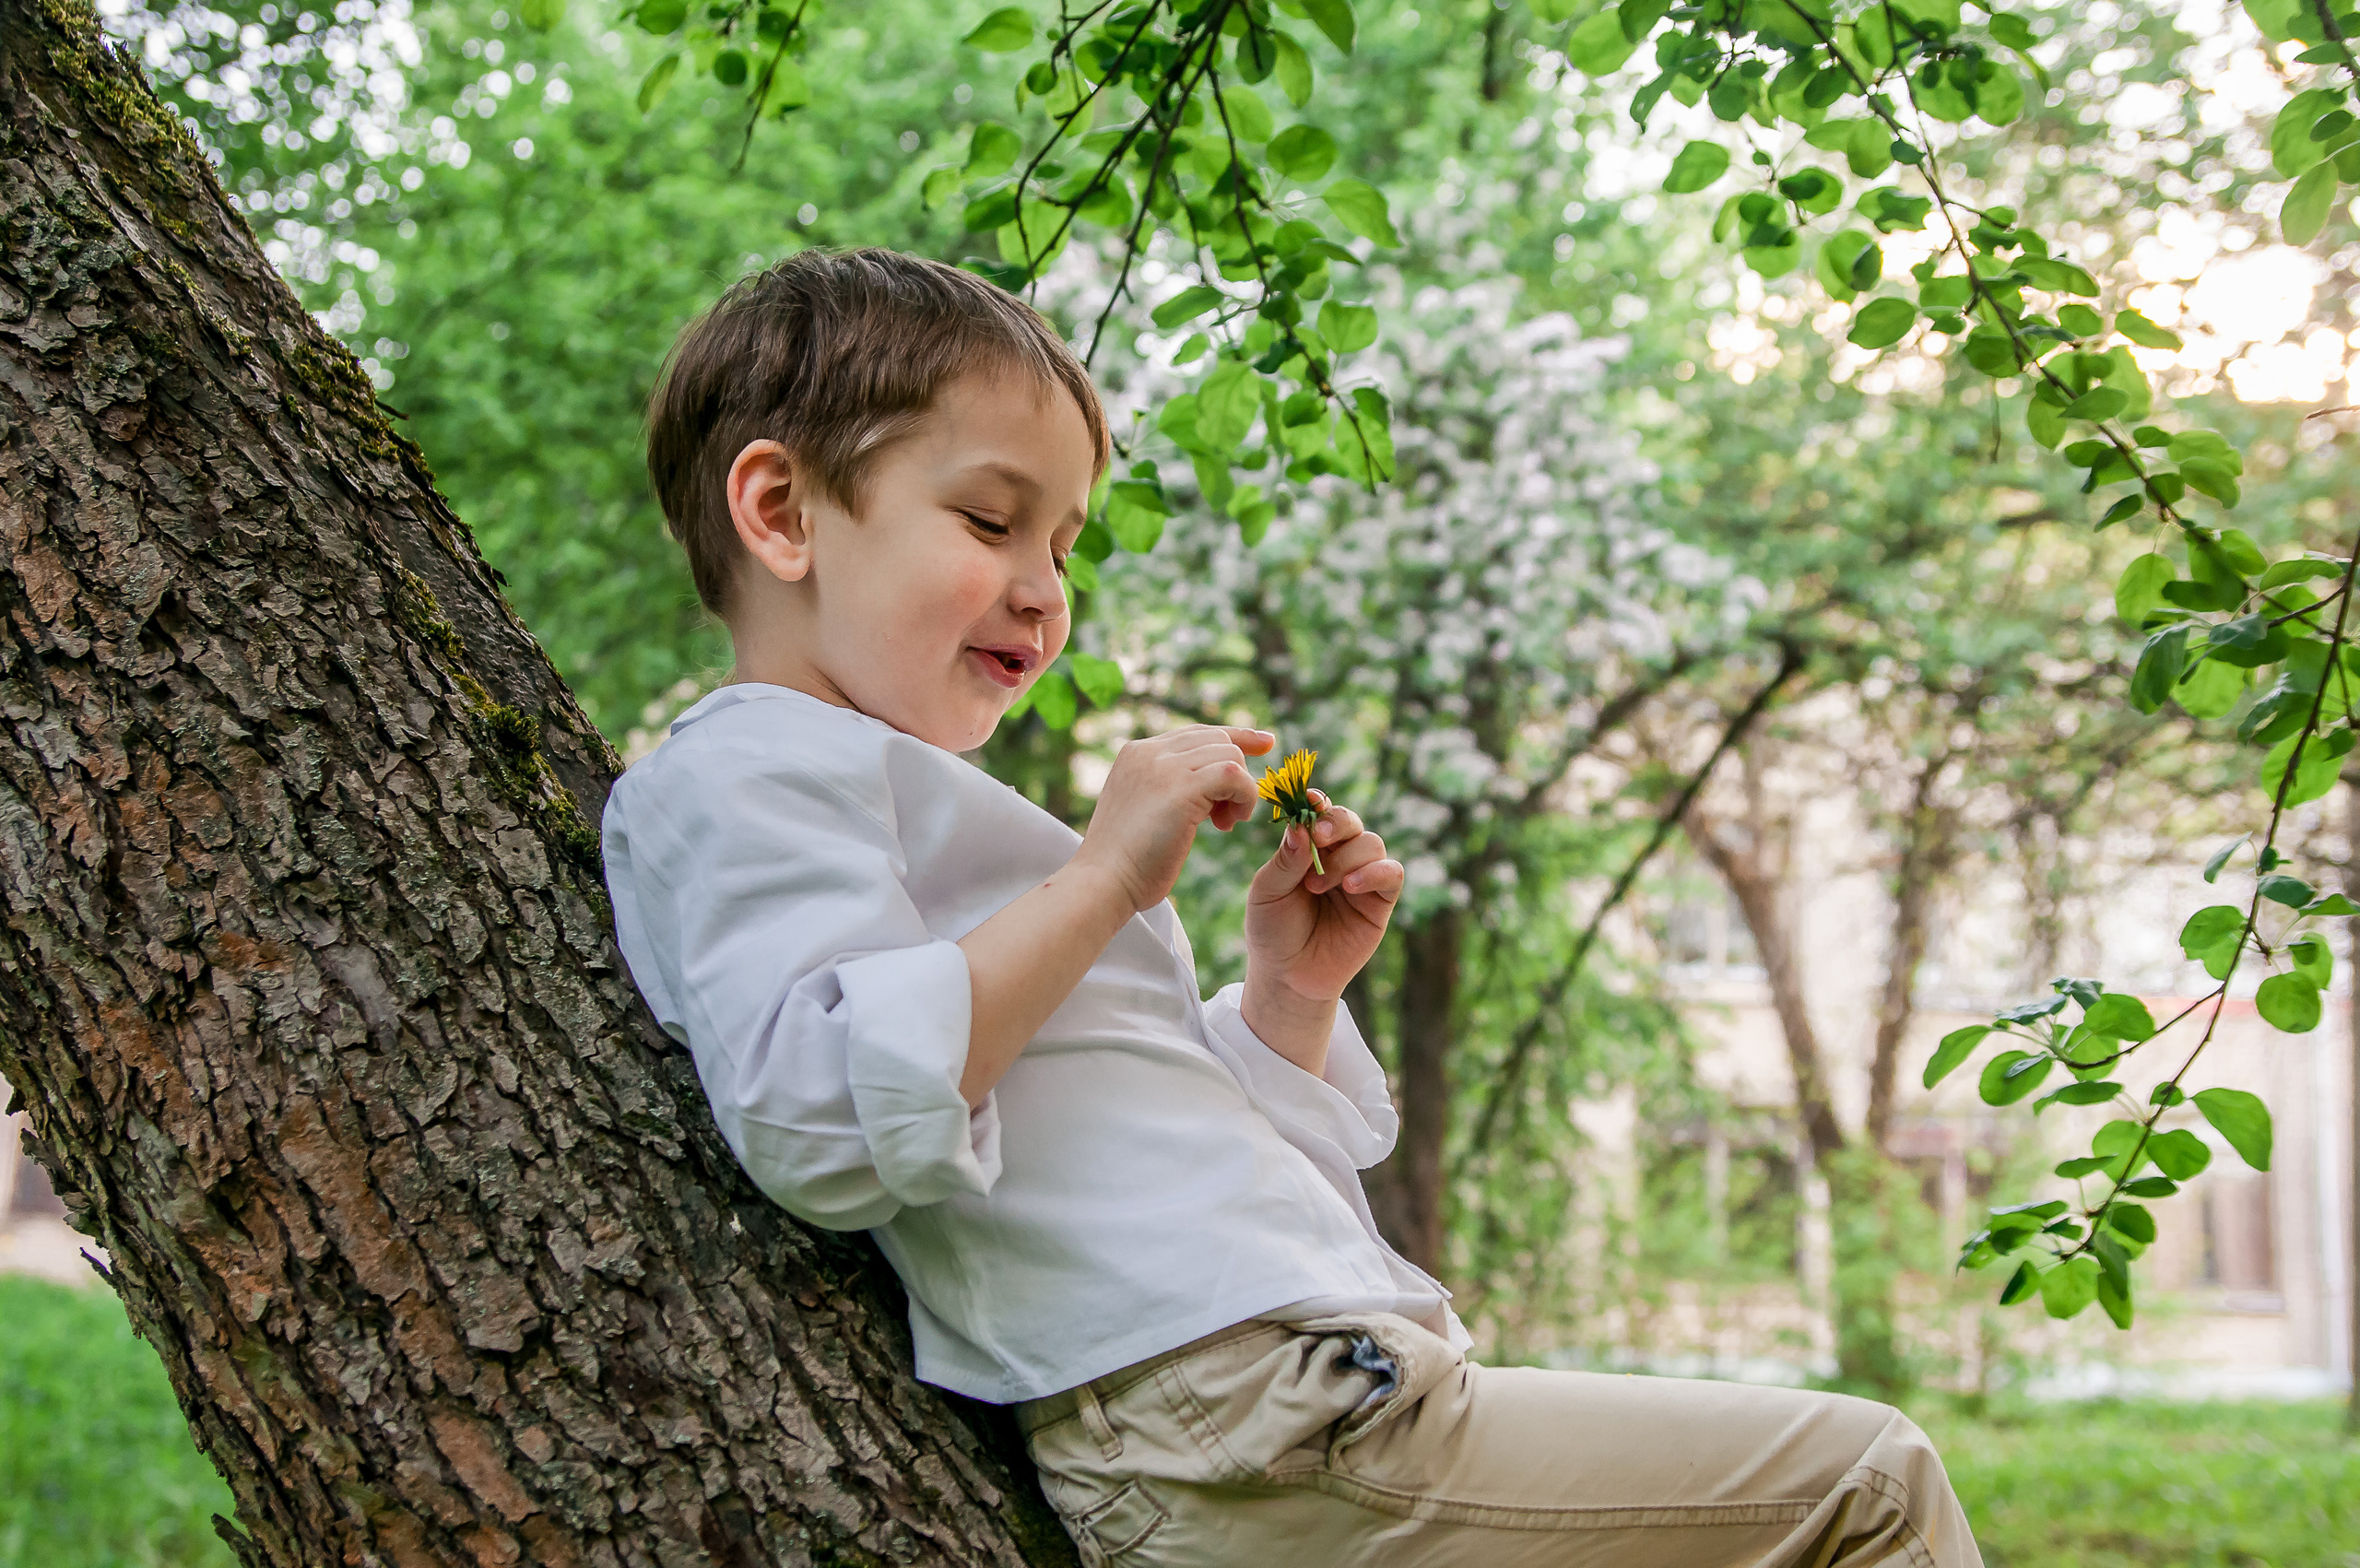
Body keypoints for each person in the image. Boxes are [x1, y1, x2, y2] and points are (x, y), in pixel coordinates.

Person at [601, 247, 1982, 1568]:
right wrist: (1103, 879)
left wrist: (1287, 999)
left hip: (1266, 1407)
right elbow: (819, 1114)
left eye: (1066, 545)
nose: (1043, 590)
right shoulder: (739, 769)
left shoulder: (898, 795)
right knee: (1870, 1489)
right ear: (779, 512)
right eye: (987, 518)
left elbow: (1129, 1140)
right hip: (1233, 1427)